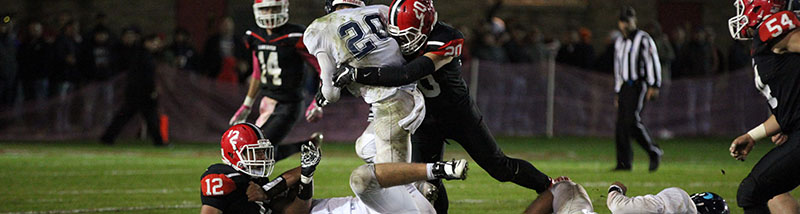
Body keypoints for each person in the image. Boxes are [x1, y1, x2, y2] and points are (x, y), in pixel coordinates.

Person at [332, 0, 554, 212]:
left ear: (425, 26)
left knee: (499, 167)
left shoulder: (447, 37)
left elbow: (408, 73)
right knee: (427, 181)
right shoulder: (395, 35)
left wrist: (357, 73)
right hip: (422, 119)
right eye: (397, 35)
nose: (403, 42)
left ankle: (550, 186)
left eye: (408, 36)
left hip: (457, 114)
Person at [303, 0, 450, 212]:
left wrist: (324, 95)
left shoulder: (319, 28)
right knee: (365, 146)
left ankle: (423, 204)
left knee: (390, 184)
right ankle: (418, 185)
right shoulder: (380, 10)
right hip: (411, 93)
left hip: (391, 105)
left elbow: (331, 93)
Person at [200, 123, 468, 214]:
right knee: (363, 168)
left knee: (365, 155)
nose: (260, 159)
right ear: (233, 154)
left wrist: (304, 176)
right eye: (254, 153)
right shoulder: (222, 176)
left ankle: (427, 177)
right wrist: (277, 188)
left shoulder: (253, 183)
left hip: (370, 209)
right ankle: (432, 172)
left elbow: (297, 198)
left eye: (262, 152)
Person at [727, 0, 800, 213]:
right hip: (795, 130)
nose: (740, 15)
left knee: (751, 192)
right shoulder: (764, 45)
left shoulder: (771, 27)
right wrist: (752, 135)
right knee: (774, 191)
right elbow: (785, 110)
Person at [229, 0, 324, 162]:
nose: (270, 13)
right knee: (258, 151)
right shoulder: (254, 36)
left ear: (284, 9)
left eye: (274, 8)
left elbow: (322, 68)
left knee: (258, 151)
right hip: (267, 102)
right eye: (265, 9)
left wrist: (319, 101)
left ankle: (268, 185)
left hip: (289, 103)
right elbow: (257, 73)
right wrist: (246, 105)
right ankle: (308, 145)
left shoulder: (295, 36)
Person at [612, 6, 663, 172]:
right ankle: (623, 163)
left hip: (638, 84)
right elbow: (618, 67)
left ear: (634, 21)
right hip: (625, 85)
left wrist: (654, 84)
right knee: (621, 125)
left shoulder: (643, 38)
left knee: (631, 121)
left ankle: (653, 151)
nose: (625, 25)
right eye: (622, 21)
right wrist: (618, 90)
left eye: (628, 21)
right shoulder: (620, 41)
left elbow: (652, 61)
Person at [100, 35, 166, 146]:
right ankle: (159, 141)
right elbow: (146, 76)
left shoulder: (141, 54)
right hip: (141, 92)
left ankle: (107, 137)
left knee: (130, 116)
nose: (156, 46)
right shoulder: (144, 56)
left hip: (136, 91)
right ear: (147, 43)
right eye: (154, 43)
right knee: (148, 117)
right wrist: (151, 90)